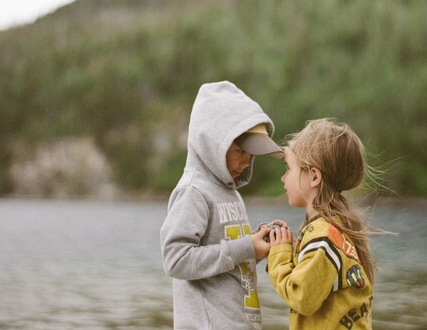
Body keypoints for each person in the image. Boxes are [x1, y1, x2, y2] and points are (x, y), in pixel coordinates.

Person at [160, 81, 286, 330]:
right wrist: (245, 246)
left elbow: (229, 256)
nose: (247, 162)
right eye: (240, 151)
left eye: (251, 155)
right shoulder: (193, 192)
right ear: (213, 143)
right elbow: (175, 260)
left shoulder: (230, 193)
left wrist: (257, 246)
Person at [267, 118, 376, 330]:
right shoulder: (335, 228)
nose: (283, 178)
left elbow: (302, 296)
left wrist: (279, 258)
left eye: (288, 168)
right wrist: (286, 247)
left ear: (314, 176)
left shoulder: (323, 238)